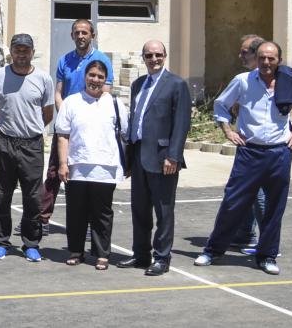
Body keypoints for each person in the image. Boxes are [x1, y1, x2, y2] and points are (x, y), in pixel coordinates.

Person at [195, 40, 292, 276]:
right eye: (262, 58)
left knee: (274, 208)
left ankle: (267, 256)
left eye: (271, 58)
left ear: (279, 60)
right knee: (232, 202)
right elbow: (221, 105)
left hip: (279, 152)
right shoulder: (243, 81)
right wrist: (228, 131)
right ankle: (213, 251)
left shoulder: (290, 81)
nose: (266, 62)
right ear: (256, 59)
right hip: (250, 152)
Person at [118, 40, 190, 276]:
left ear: (165, 56)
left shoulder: (176, 84)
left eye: (158, 55)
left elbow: (181, 123)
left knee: (163, 211)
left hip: (163, 158)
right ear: (143, 58)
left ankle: (162, 257)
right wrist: (129, 158)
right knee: (139, 209)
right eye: (149, 55)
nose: (154, 59)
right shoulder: (138, 84)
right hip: (139, 155)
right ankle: (141, 254)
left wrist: (173, 156)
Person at [40, 19, 114, 232]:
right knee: (54, 172)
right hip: (67, 126)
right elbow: (58, 93)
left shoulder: (102, 60)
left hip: (89, 129)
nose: (81, 36)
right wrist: (67, 117)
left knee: (88, 174)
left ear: (92, 35)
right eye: (77, 32)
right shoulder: (64, 60)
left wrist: (85, 118)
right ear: (72, 35)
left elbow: (105, 93)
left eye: (84, 32)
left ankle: (90, 224)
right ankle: (42, 219)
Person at [0, 33, 53, 263]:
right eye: (17, 50)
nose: (21, 54)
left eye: (25, 50)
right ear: (11, 52)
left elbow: (47, 113)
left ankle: (31, 243)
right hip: (5, 141)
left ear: (32, 52)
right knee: (1, 194)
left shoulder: (43, 79)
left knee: (33, 197)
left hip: (31, 144)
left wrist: (29, 130)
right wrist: (7, 131)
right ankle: (1, 241)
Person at [53, 60, 123, 270]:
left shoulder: (115, 103)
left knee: (102, 214)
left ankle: (102, 254)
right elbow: (62, 135)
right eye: (92, 75)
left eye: (100, 77)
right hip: (77, 168)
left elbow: (125, 134)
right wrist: (63, 164)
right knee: (76, 212)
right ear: (85, 76)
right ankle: (76, 251)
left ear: (106, 80)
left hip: (105, 168)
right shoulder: (71, 102)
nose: (95, 80)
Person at [236, 34, 267, 254]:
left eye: (244, 52)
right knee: (245, 190)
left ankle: (268, 241)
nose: (240, 56)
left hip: (263, 148)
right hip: (246, 146)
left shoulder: (274, 80)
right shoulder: (246, 79)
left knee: (259, 194)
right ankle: (245, 234)